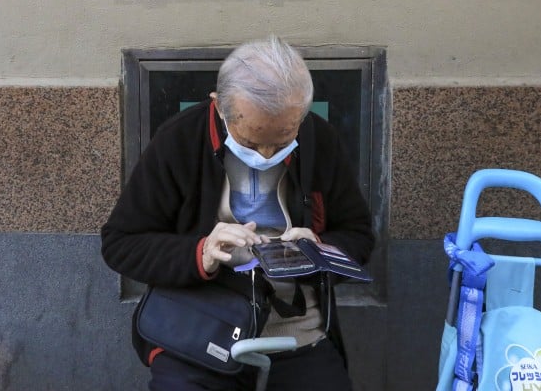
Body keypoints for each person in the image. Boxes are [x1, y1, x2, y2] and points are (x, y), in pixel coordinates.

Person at [101, 37, 374, 390]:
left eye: (282, 139)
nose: (265, 154)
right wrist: (202, 253)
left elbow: (359, 234)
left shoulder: (320, 140)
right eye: (250, 141)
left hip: (296, 330)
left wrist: (319, 250)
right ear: (219, 107)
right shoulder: (179, 139)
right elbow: (121, 243)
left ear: (301, 115)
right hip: (198, 325)